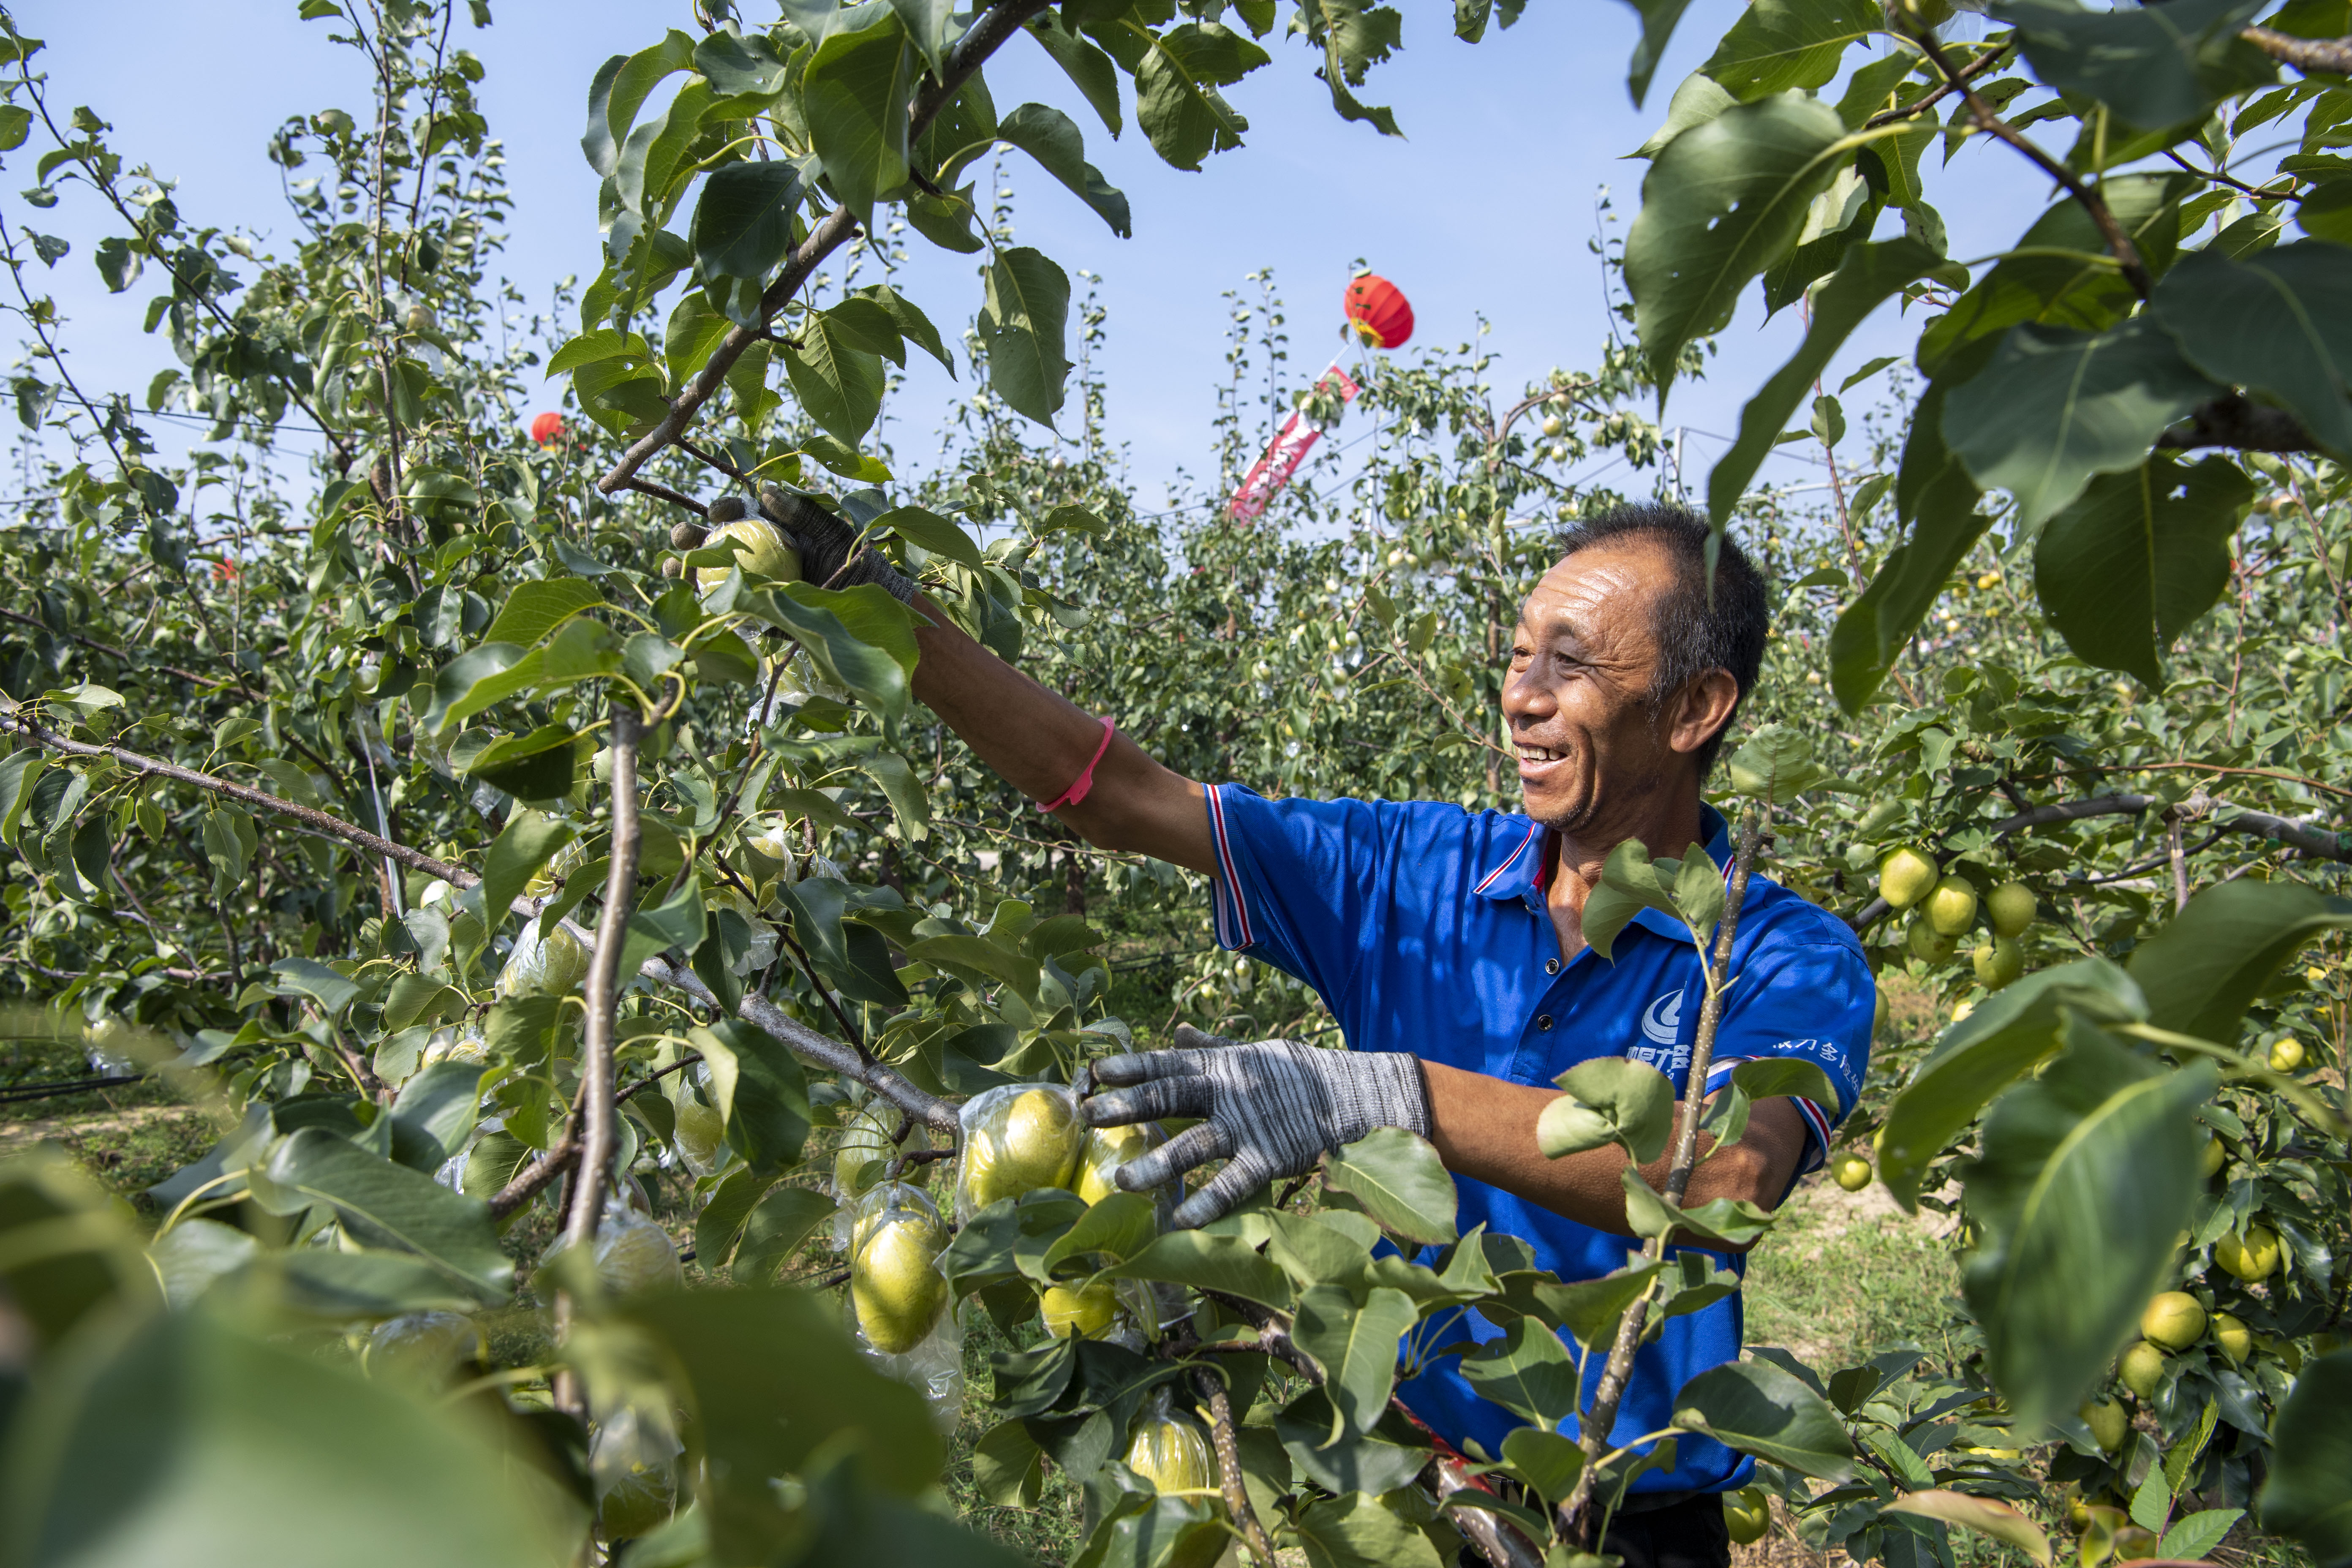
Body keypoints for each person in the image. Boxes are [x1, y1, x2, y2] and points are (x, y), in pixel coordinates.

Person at [759, 490, 1874, 1567]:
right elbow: (1116, 792)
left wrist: (1388, 1094)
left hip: (1630, 1516)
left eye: (1572, 664)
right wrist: (877, 606)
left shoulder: (1783, 955)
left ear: (1692, 711)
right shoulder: (1413, 875)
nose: (1522, 696)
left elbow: (1724, 1180)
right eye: (1520, 654)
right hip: (1410, 1494)